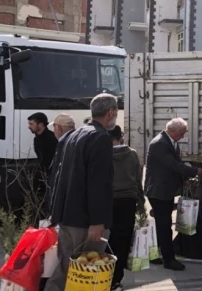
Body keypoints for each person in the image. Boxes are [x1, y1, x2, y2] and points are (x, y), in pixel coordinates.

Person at [45, 93, 118, 291]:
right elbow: (98, 183)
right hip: (86, 221)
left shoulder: (73, 135)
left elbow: (59, 176)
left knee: (65, 267)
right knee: (84, 271)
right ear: (111, 112)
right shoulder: (101, 138)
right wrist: (97, 221)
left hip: (68, 215)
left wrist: (55, 211)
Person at [144, 117, 202, 271]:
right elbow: (173, 165)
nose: (183, 136)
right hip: (158, 191)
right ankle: (168, 260)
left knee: (161, 225)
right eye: (182, 133)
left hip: (164, 189)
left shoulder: (169, 141)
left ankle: (154, 254)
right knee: (164, 225)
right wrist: (194, 171)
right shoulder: (160, 144)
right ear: (173, 130)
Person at [108, 125, 143, 291]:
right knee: (123, 240)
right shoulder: (133, 154)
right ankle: (117, 279)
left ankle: (105, 278)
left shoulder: (104, 155)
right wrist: (141, 203)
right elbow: (138, 180)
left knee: (109, 240)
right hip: (129, 201)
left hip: (109, 200)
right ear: (120, 136)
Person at [28, 112, 58, 211]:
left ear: (40, 125)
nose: (29, 127)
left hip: (50, 174)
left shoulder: (51, 139)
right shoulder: (37, 139)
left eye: (31, 124)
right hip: (42, 173)